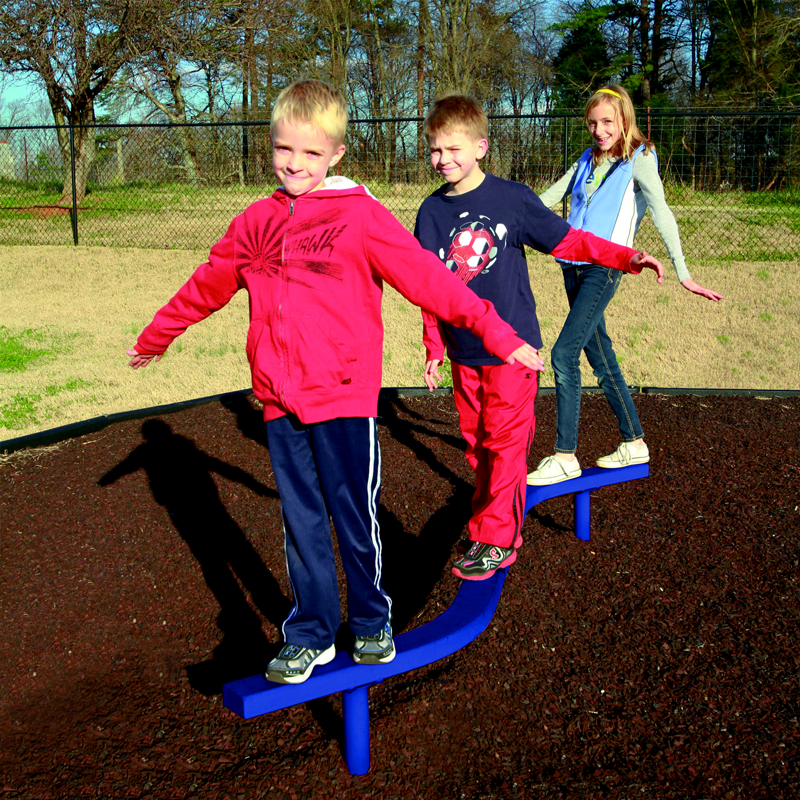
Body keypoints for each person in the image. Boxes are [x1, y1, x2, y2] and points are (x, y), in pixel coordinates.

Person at [124, 79, 547, 685]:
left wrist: (500, 334)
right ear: (270, 146)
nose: (295, 165)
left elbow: (431, 280)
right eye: (283, 151)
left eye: (311, 154)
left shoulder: (358, 216)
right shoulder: (256, 222)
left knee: (353, 512)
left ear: (336, 156)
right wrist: (160, 333)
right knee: (301, 519)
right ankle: (313, 630)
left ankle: (373, 618)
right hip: (278, 398)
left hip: (344, 395)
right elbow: (210, 281)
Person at [415, 93, 664, 582]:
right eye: (435, 150)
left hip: (513, 351)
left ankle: (497, 539)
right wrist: (433, 348)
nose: (443, 159)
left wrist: (625, 257)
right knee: (477, 445)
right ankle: (491, 520)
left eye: (453, 149)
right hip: (465, 355)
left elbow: (569, 239)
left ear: (481, 146)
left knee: (506, 445)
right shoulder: (430, 213)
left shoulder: (512, 199)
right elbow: (428, 286)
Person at [527, 84, 723, 488]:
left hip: (604, 269)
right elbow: (547, 198)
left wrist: (683, 272)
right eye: (593, 123)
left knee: (564, 354)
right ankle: (634, 442)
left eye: (607, 123)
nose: (599, 130)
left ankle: (565, 455)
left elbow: (662, 211)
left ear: (624, 120)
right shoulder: (586, 159)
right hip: (572, 266)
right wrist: (505, 209)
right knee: (600, 356)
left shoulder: (640, 158)